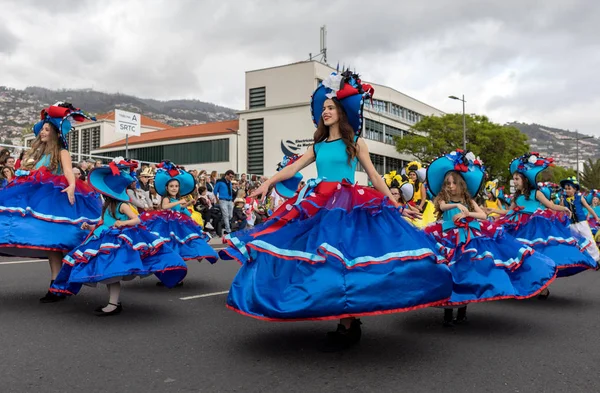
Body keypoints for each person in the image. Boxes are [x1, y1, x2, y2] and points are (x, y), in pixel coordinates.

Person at [218, 70, 453, 351]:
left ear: (342, 112)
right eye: (324, 108)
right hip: (319, 204)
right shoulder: (317, 145)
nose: (326, 112)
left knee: (347, 260)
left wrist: (396, 205)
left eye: (331, 107)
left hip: (348, 205)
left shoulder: (356, 143)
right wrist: (268, 182)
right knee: (313, 256)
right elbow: (293, 168)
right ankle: (341, 318)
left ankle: (349, 321)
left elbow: (376, 178)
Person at [425, 151, 556, 326]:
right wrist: (456, 205)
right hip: (448, 238)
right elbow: (442, 206)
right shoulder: (443, 199)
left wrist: (467, 214)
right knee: (450, 272)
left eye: (454, 182)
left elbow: (482, 216)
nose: (450, 186)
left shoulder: (468, 199)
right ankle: (448, 313)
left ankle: (462, 311)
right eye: (447, 183)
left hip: (469, 238)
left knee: (467, 272)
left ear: (461, 184)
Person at [49, 158, 188, 315]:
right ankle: (113, 302)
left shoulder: (123, 205)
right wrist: (90, 226)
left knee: (112, 273)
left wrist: (123, 224)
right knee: (108, 273)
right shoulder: (106, 205)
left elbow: (138, 219)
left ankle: (113, 304)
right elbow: (105, 223)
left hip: (118, 241)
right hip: (104, 238)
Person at [0, 103, 102, 302]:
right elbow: (37, 174)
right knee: (52, 246)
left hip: (58, 200)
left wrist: (72, 185)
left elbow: (67, 172)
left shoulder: (62, 152)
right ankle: (56, 285)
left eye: (47, 129)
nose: (42, 133)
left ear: (55, 132)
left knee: (65, 242)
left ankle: (71, 278)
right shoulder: (41, 154)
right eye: (42, 130)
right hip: (42, 200)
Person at [490, 153, 596, 298]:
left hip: (535, 227)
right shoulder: (517, 196)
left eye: (516, 179)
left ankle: (542, 286)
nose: (514, 181)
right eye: (513, 179)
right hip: (518, 227)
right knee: (519, 256)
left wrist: (563, 208)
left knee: (538, 256)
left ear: (525, 179)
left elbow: (551, 205)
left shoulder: (536, 193)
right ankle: (526, 285)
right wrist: (493, 211)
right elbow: (508, 212)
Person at [140, 160, 218, 283]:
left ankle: (176, 273)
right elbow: (165, 207)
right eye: (171, 186)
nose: (174, 188)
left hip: (178, 224)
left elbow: (180, 209)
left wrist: (187, 204)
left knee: (179, 247)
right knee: (168, 247)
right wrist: (179, 202)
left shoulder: (178, 199)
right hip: (166, 225)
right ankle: (169, 273)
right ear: (166, 187)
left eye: (176, 186)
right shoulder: (166, 198)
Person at [559, 177, 600, 262]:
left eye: (569, 188)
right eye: (566, 189)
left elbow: (589, 208)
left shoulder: (579, 197)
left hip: (582, 222)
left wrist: (596, 217)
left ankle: (596, 258)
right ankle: (583, 258)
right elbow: (561, 210)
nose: (567, 190)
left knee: (589, 239)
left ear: (574, 189)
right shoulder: (564, 199)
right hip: (572, 224)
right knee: (577, 242)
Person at [214, 170, 235, 234]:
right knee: (226, 215)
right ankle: (228, 229)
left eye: (232, 177)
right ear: (226, 175)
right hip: (223, 200)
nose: (231, 178)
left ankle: (223, 225)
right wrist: (217, 199)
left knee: (230, 215)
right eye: (230, 176)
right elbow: (215, 191)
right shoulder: (219, 182)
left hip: (230, 200)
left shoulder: (230, 182)